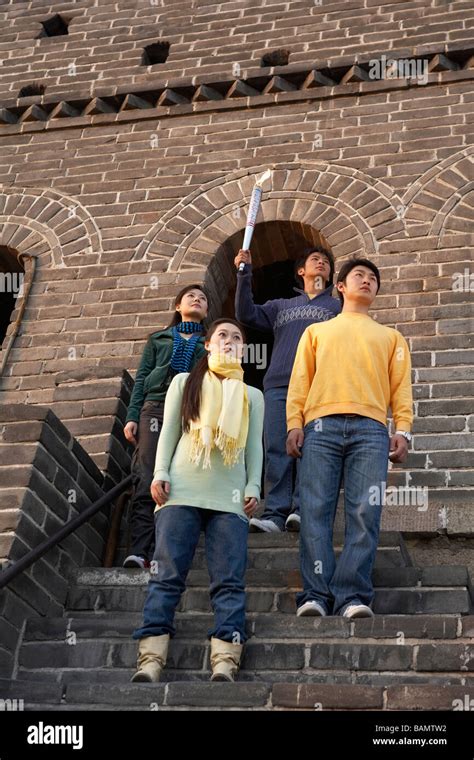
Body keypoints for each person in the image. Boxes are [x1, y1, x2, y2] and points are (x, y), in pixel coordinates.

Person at [131, 318, 264, 683]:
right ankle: (151, 660)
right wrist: (160, 473)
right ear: (208, 344)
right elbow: (169, 431)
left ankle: (225, 659)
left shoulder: (253, 395)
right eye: (222, 335)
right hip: (182, 490)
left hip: (230, 496)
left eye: (237, 337)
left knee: (229, 580)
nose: (230, 341)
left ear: (243, 348)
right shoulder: (182, 383)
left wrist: (253, 486)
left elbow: (254, 447)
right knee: (167, 576)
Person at [286, 257, 413, 619]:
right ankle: (316, 594)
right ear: (339, 286)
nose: (367, 281)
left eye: (373, 278)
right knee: (315, 510)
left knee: (364, 512)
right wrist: (295, 422)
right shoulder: (317, 332)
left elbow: (400, 389)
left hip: (372, 429)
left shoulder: (391, 337)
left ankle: (352, 596)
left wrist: (401, 428)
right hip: (320, 426)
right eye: (359, 275)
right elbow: (299, 382)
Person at [234, 245, 340, 533]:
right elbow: (245, 313)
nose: (321, 263)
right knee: (278, 448)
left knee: (312, 448)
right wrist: (244, 273)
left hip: (320, 386)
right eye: (314, 260)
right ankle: (275, 514)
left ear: (331, 274)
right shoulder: (281, 306)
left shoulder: (338, 308)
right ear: (301, 271)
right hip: (279, 384)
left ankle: (303, 509)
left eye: (326, 262)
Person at [122, 285, 209, 568]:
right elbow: (142, 377)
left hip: (190, 411)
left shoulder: (209, 343)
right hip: (155, 407)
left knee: (180, 476)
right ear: (177, 306)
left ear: (207, 311)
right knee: (147, 475)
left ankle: (167, 550)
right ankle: (139, 549)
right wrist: (132, 415)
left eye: (202, 299)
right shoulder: (158, 339)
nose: (197, 300)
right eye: (190, 297)